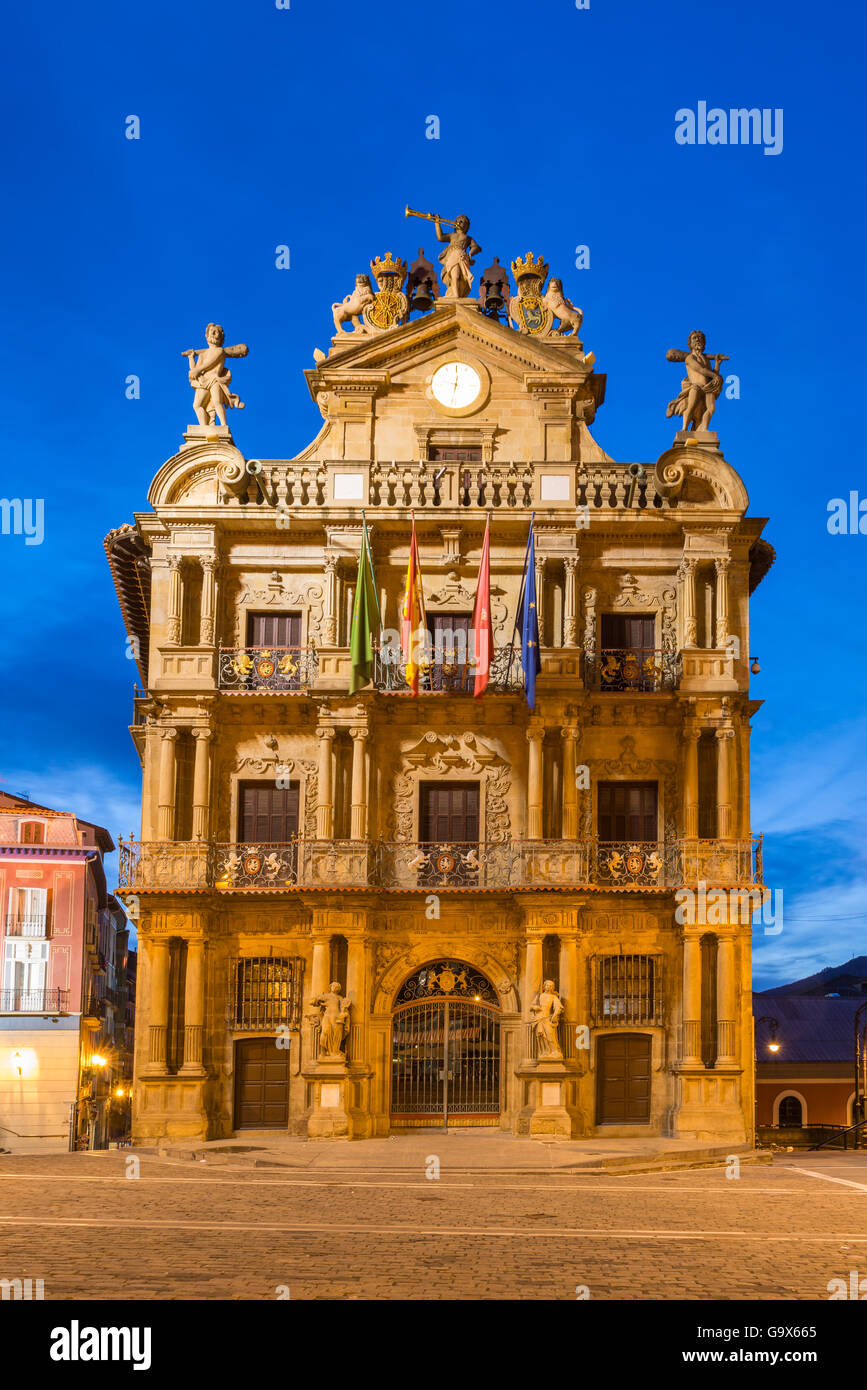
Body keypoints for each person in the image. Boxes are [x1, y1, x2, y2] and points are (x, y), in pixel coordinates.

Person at [182, 323, 248, 427]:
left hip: (214, 380)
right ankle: (204, 427)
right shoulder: (202, 354)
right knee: (197, 405)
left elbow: (210, 364)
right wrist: (191, 357)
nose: (213, 333)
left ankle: (223, 425)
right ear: (207, 336)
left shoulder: (220, 351)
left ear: (221, 337)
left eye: (216, 331)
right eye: (211, 331)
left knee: (217, 402)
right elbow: (194, 370)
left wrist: (197, 370)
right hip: (202, 381)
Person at [434, 214, 481, 299]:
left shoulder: (467, 238)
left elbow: (477, 247)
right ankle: (455, 295)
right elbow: (440, 237)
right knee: (454, 275)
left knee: (461, 277)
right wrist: (437, 223)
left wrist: (470, 253)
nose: (459, 222)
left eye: (462, 221)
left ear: (466, 226)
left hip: (462, 256)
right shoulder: (452, 235)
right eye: (458, 221)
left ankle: (457, 294)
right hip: (452, 256)